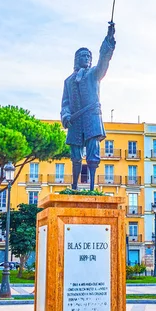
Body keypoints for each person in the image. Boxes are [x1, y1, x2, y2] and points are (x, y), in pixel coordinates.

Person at [61, 22, 116, 191]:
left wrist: (109, 40)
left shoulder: (94, 73)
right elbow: (65, 103)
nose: (86, 58)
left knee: (93, 155)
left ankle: (92, 188)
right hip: (76, 121)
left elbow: (103, 61)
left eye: (88, 56)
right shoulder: (68, 80)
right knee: (76, 156)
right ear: (77, 60)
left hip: (92, 118)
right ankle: (75, 186)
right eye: (83, 56)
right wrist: (65, 115)